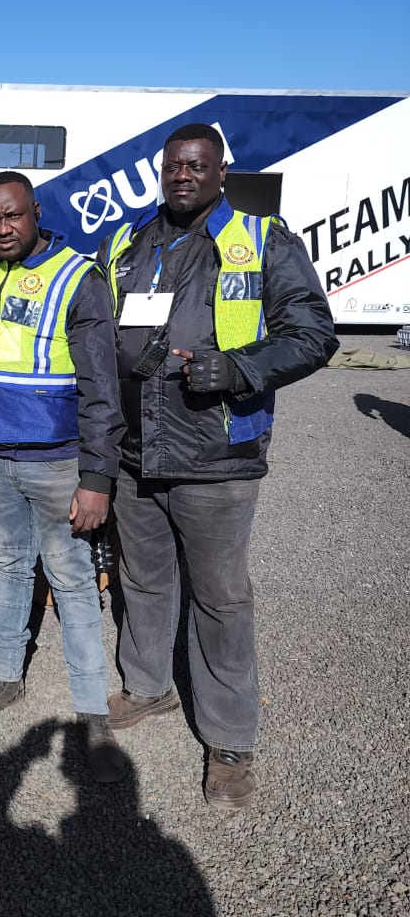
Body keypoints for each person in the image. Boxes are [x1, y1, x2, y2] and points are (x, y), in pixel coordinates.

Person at [97, 123, 338, 811]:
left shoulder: (263, 241)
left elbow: (314, 333)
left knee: (221, 600)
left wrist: (238, 368)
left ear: (221, 172)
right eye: (174, 165)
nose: (183, 175)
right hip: (135, 454)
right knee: (142, 581)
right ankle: (149, 687)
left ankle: (230, 741)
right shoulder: (128, 241)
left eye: (197, 166)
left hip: (218, 455)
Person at [0, 171, 128, 782]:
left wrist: (97, 479)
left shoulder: (77, 278)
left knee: (72, 580)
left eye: (13, 215)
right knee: (11, 566)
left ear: (36, 212)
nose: (2, 228)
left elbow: (102, 388)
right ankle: (4, 676)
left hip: (56, 460)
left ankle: (92, 715)